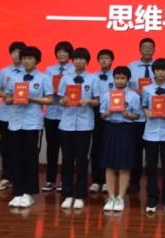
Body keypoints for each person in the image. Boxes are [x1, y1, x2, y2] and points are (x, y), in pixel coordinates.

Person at [4, 46, 54, 208]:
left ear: (36, 60)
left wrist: (31, 99)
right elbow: (7, 99)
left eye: (30, 58)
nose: (26, 61)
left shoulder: (44, 78)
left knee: (30, 157)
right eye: (24, 58)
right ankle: (18, 192)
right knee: (16, 157)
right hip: (15, 122)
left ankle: (29, 193)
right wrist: (13, 99)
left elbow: (49, 100)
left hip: (33, 123)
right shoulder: (14, 77)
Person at [58, 48, 98, 210]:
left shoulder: (93, 78)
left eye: (82, 59)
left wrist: (87, 102)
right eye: (76, 59)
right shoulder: (66, 78)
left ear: (87, 61)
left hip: (85, 124)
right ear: (72, 61)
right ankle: (67, 194)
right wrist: (63, 101)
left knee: (82, 160)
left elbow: (97, 101)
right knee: (67, 160)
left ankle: (80, 194)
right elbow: (60, 99)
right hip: (67, 123)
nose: (79, 61)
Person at [100, 66, 141, 213]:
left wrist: (127, 114)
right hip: (111, 128)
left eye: (123, 78)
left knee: (124, 164)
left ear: (127, 80)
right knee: (109, 164)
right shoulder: (107, 95)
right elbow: (102, 115)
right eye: (117, 78)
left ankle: (120, 197)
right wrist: (109, 111)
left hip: (126, 129)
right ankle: (111, 196)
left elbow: (137, 116)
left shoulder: (134, 96)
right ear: (114, 79)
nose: (119, 80)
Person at [140, 58, 165, 214]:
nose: (160, 72)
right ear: (154, 71)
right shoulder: (147, 89)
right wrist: (147, 112)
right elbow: (143, 106)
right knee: (151, 166)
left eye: (163, 70)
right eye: (157, 70)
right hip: (151, 133)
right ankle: (152, 197)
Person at [0, 41, 26, 192]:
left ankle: (19, 178)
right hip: (5, 114)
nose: (16, 55)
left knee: (20, 148)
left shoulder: (29, 73)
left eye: (19, 53)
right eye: (14, 52)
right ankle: (6, 177)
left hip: (22, 115)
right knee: (6, 147)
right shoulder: (4, 72)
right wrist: (4, 95)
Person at [42, 41, 75, 192]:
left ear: (70, 54)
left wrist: (63, 93)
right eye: (59, 51)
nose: (62, 54)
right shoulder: (49, 70)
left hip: (66, 115)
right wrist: (51, 91)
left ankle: (64, 180)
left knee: (67, 150)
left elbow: (77, 92)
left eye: (65, 51)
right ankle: (50, 179)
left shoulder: (74, 71)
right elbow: (43, 89)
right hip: (50, 114)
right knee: (52, 148)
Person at [127, 37, 156, 194]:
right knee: (136, 151)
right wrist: (135, 91)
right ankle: (134, 181)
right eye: (144, 47)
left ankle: (152, 183)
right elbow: (124, 87)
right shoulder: (131, 67)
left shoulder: (159, 67)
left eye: (150, 47)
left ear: (154, 50)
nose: (147, 50)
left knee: (151, 154)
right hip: (137, 116)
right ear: (139, 49)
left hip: (154, 116)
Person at [88, 48, 114, 194]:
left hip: (112, 114)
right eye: (101, 58)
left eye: (107, 58)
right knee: (96, 146)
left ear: (112, 61)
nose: (104, 60)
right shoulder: (92, 77)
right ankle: (96, 180)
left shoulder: (117, 76)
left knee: (109, 146)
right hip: (96, 113)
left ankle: (107, 180)